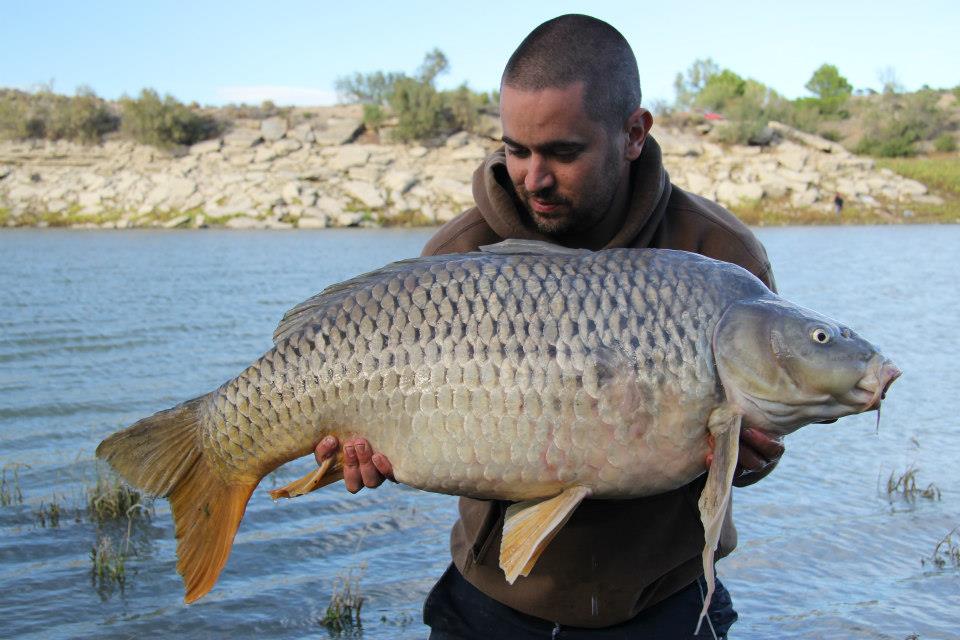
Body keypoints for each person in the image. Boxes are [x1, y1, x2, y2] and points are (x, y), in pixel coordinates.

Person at [313, 14, 784, 639]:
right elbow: (404, 435)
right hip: (493, 601)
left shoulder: (720, 259)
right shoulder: (458, 258)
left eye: (563, 152)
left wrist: (752, 456)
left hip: (664, 600)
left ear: (634, 132)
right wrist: (353, 455)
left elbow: (755, 441)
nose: (533, 177)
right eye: (515, 149)